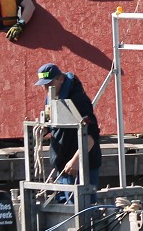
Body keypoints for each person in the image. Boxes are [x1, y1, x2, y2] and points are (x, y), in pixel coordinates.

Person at [35, 63, 102, 199]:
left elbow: (91, 134)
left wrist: (75, 161)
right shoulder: (53, 97)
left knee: (82, 210)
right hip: (62, 168)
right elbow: (53, 123)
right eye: (43, 85)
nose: (45, 88)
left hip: (80, 169)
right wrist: (43, 129)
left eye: (49, 84)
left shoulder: (78, 100)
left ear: (60, 79)